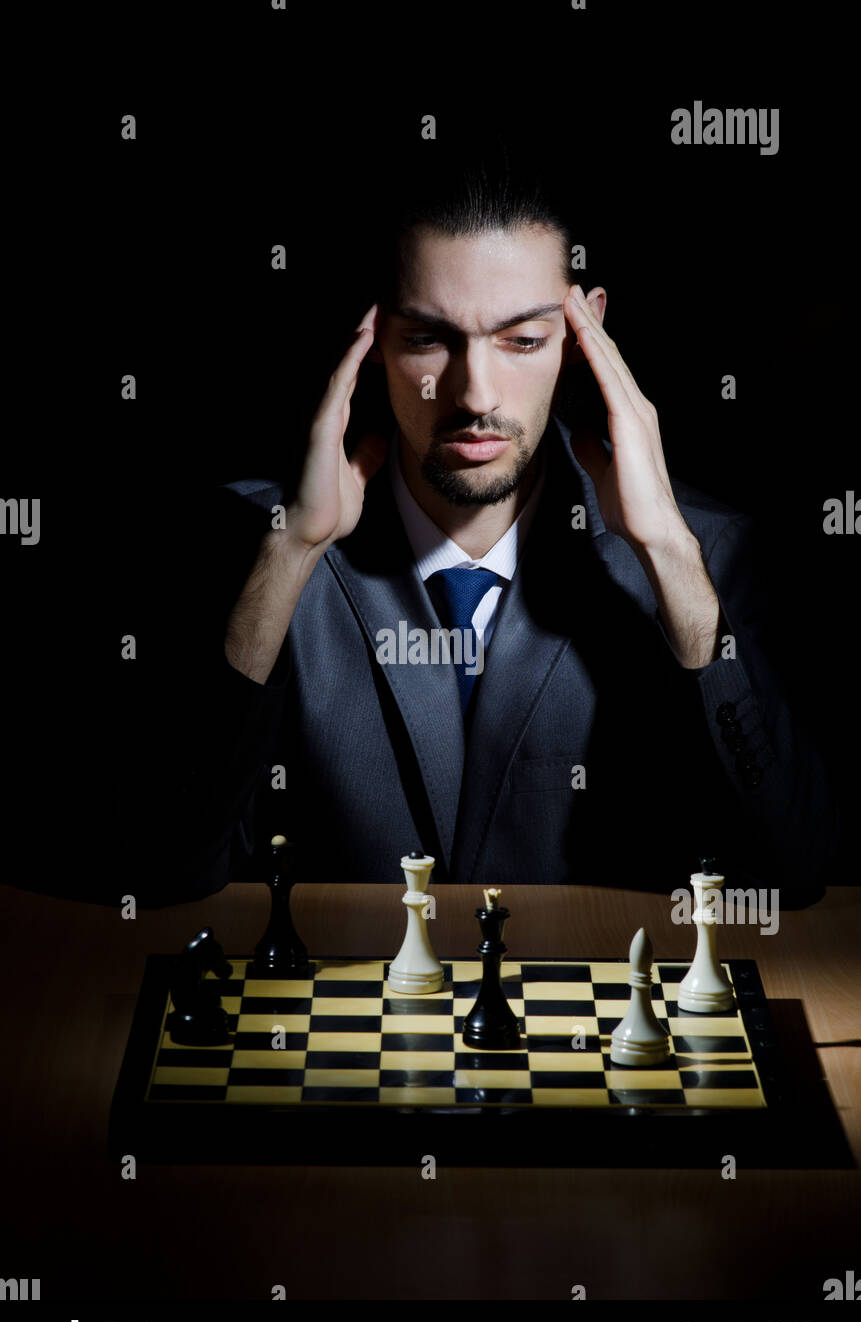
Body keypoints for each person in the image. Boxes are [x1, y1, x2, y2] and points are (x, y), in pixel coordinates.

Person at [130, 160, 836, 908]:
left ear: (583, 334)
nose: (473, 394)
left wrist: (666, 554)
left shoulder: (704, 553)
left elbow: (787, 878)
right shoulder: (251, 546)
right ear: (371, 340)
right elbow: (163, 872)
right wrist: (289, 553)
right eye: (429, 339)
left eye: (522, 341)